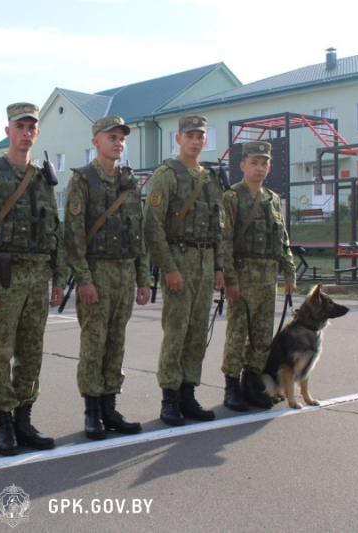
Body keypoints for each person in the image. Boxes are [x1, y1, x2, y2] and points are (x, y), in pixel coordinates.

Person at [0, 102, 66, 456]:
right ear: (8, 130)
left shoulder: (42, 177)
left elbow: (54, 229)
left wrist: (58, 277)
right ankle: (4, 423)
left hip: (38, 275)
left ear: (37, 132)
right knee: (1, 352)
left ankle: (24, 419)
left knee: (31, 351)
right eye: (19, 126)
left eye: (31, 127)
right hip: (3, 277)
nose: (26, 132)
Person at [64, 115, 151, 440]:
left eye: (121, 138)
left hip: (125, 272)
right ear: (96, 141)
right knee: (94, 344)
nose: (118, 142)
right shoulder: (83, 180)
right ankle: (92, 412)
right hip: (97, 273)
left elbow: (139, 231)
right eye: (111, 137)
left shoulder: (129, 181)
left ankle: (110, 407)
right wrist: (83, 279)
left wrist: (143, 278)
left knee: (116, 342)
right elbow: (73, 235)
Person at [143, 115, 225, 426]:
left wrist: (218, 266)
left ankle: (188, 393)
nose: (195, 141)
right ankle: (170, 398)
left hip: (205, 261)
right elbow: (152, 225)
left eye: (200, 136)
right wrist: (168, 268)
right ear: (178, 139)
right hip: (179, 260)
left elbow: (218, 227)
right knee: (176, 331)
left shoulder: (210, 178)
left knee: (197, 331)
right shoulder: (167, 174)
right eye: (189, 135)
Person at [221, 140, 297, 411]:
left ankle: (251, 382)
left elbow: (283, 239)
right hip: (243, 276)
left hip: (267, 277)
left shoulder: (272, 199)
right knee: (237, 333)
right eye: (254, 163)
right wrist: (229, 279)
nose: (259, 168)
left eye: (264, 163)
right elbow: (224, 242)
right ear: (243, 165)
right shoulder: (231, 197)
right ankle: (231, 386)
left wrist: (289, 271)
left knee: (263, 335)